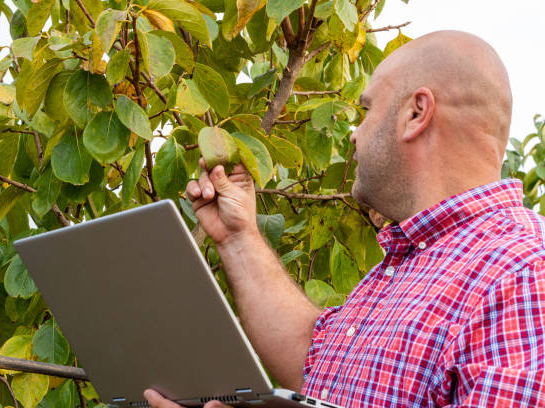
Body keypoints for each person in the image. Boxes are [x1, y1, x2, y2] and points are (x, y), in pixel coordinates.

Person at [144, 30, 545, 407]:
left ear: (416, 113)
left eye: (367, 110)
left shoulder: (524, 273)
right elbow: (318, 368)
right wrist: (238, 237)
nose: (354, 133)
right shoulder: (409, 263)